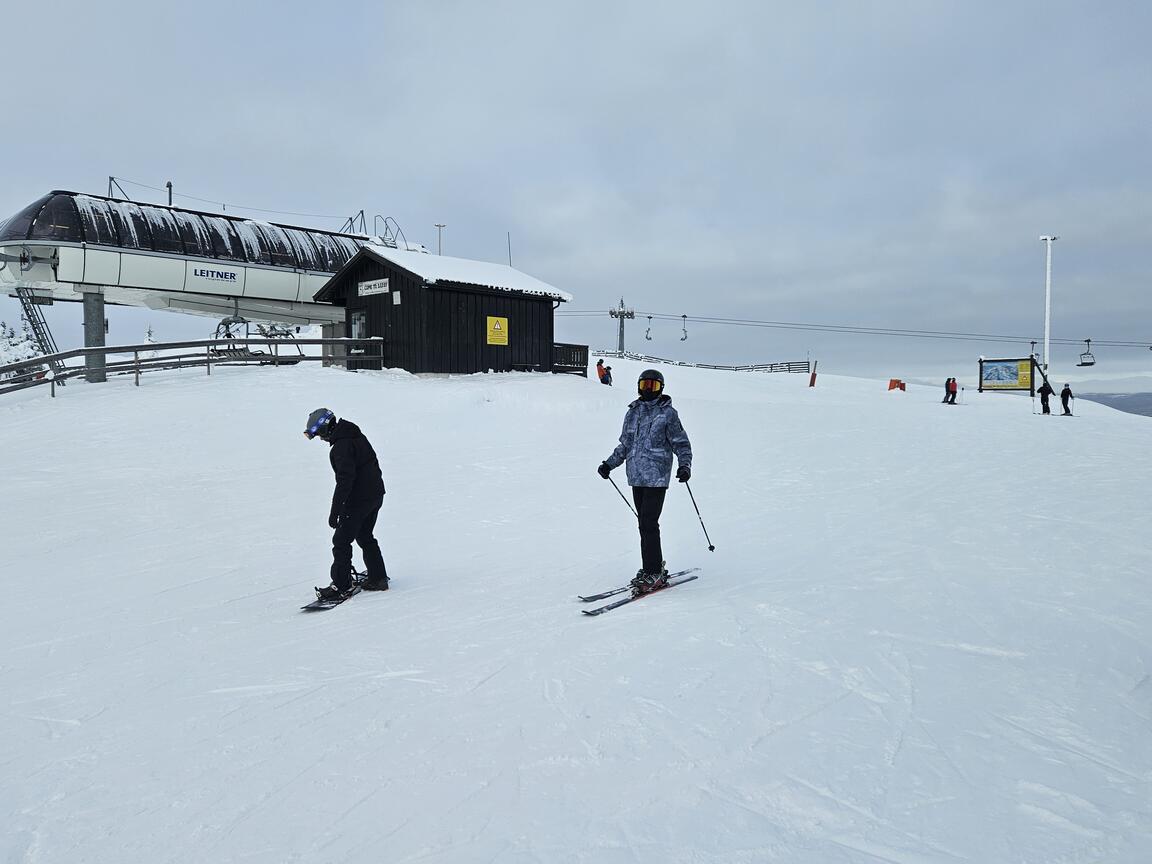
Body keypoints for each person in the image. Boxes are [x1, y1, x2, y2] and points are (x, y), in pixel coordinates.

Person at [597, 369, 693, 596]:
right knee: (644, 524)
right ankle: (652, 567)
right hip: (636, 476)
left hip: (657, 477)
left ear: (661, 388)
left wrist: (685, 466)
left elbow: (681, 443)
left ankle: (654, 572)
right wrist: (609, 464)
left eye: (653, 386)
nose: (649, 390)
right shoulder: (633, 412)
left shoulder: (668, 414)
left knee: (649, 523)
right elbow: (625, 445)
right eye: (645, 385)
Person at [304, 408, 389, 600]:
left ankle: (341, 586)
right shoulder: (356, 435)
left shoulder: (341, 447)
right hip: (375, 495)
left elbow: (345, 482)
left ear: (326, 428)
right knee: (365, 535)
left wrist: (335, 512)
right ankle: (378, 577)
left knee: (341, 541)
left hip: (359, 500)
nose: (321, 439)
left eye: (320, 434)